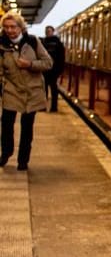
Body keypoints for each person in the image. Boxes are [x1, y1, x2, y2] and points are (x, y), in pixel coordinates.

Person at [0, 11, 53, 171]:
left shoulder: (33, 41)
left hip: (32, 91)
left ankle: (23, 160)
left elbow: (48, 63)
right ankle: (6, 153)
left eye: (13, 27)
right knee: (6, 124)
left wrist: (30, 65)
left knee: (27, 126)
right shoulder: (1, 45)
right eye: (6, 27)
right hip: (12, 89)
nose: (10, 30)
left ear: (21, 27)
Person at [41, 25, 66, 112]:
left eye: (49, 31)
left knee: (53, 89)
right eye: (46, 31)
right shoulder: (43, 43)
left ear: (52, 31)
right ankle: (43, 106)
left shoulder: (58, 44)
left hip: (54, 70)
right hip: (45, 70)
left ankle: (54, 107)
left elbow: (61, 58)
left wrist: (59, 70)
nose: (48, 32)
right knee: (44, 89)